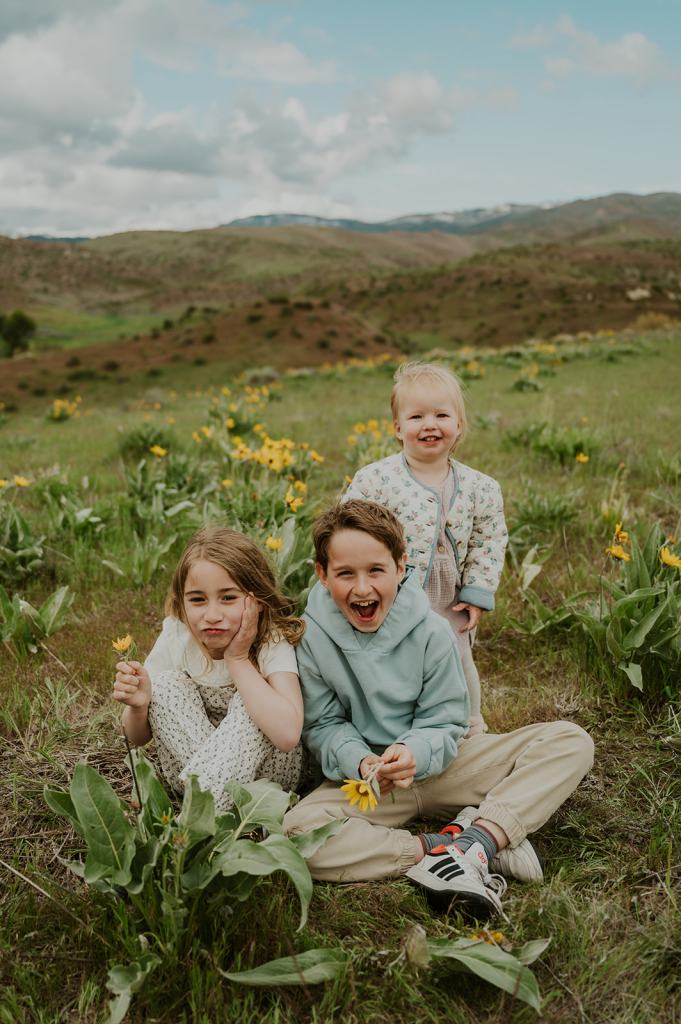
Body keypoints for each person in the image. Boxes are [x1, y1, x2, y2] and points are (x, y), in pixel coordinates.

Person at [284, 500, 594, 918]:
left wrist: (416, 751)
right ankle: (439, 850)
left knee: (569, 740)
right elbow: (323, 724)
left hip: (444, 766)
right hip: (372, 785)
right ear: (322, 575)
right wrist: (360, 762)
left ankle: (480, 840)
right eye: (345, 574)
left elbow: (445, 719)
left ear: (400, 566)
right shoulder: (311, 638)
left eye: (376, 570)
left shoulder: (432, 631)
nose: (362, 589)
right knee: (298, 833)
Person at [343, 361, 507, 736]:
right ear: (398, 428)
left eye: (442, 415)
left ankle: (469, 725)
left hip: (451, 596)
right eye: (416, 416)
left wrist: (478, 592)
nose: (430, 424)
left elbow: (489, 539)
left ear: (459, 425)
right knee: (396, 658)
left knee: (456, 656)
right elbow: (347, 525)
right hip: (395, 592)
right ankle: (398, 724)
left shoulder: (481, 487)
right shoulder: (376, 479)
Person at [112, 526, 304, 811]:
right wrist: (139, 707)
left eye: (228, 598)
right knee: (164, 685)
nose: (212, 615)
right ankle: (210, 805)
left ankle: (197, 816)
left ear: (258, 601)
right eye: (198, 599)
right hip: (190, 774)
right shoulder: (177, 636)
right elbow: (136, 738)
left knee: (254, 700)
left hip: (266, 783)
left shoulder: (270, 641)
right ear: (182, 601)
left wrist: (238, 659)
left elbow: (288, 735)